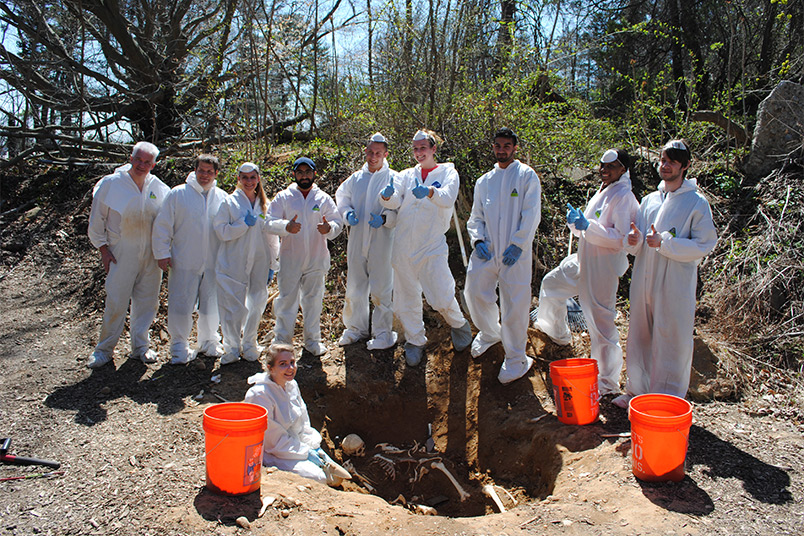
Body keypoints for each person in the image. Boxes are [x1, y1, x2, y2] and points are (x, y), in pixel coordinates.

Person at [615, 140, 717, 408]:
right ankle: (637, 392)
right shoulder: (650, 200)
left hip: (674, 282)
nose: (665, 165)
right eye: (663, 160)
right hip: (643, 280)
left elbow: (705, 244)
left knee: (671, 337)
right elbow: (636, 244)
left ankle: (666, 400)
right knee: (640, 333)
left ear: (685, 166)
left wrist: (666, 244)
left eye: (672, 161)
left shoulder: (696, 203)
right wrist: (634, 238)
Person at [533, 148, 639, 396]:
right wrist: (575, 222)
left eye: (611, 166)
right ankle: (556, 335)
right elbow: (585, 230)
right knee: (552, 284)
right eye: (602, 165)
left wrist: (588, 226)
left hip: (602, 267)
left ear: (623, 169)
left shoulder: (624, 196)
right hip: (583, 260)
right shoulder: (602, 191)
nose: (604, 170)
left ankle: (607, 382)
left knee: (600, 324)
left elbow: (622, 239)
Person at [379, 129, 472, 366]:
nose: (419, 153)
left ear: (433, 149)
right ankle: (415, 341)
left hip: (431, 246)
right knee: (405, 299)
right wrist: (387, 196)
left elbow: (448, 198)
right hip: (402, 247)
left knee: (441, 294)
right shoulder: (406, 175)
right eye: (415, 148)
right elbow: (394, 200)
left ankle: (459, 325)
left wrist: (430, 191)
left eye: (423, 148)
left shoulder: (448, 172)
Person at [465, 128, 542, 384]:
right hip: (487, 250)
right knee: (474, 292)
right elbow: (475, 217)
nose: (501, 149)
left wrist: (518, 244)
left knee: (515, 305)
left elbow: (531, 214)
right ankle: (489, 333)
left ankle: (516, 358)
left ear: (514, 148)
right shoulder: (484, 181)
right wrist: (477, 240)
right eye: (498, 145)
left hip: (514, 253)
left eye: (507, 145)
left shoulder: (526, 176)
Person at [86, 141, 170, 368]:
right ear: (131, 158)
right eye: (138, 160)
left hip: (151, 254)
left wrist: (165, 252)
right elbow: (97, 220)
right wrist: (103, 248)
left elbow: (166, 222)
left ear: (154, 164)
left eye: (147, 162)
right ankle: (104, 350)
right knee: (116, 300)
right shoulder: (111, 184)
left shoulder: (159, 188)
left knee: (147, 302)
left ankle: (140, 347)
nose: (142, 165)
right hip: (120, 251)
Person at [152, 154, 228, 364]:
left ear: (216, 174)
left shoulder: (222, 197)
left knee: (211, 304)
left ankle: (209, 341)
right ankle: (179, 345)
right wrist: (162, 253)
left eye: (209, 172)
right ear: (195, 171)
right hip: (184, 259)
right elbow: (163, 225)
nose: (205, 175)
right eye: (201, 171)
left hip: (213, 262)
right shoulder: (178, 194)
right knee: (181, 303)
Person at [244, 343, 351, 486]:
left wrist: (312, 446)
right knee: (319, 478)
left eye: (292, 363)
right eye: (283, 364)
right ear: (270, 368)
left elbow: (303, 422)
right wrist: (305, 452)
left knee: (334, 473)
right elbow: (272, 441)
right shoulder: (259, 395)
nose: (290, 368)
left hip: (296, 444)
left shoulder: (291, 385)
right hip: (273, 452)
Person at [267, 157, 343, 357]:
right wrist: (285, 226)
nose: (304, 176)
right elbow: (268, 222)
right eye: (299, 172)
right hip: (290, 260)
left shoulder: (323, 198)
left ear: (314, 174)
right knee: (287, 301)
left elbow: (337, 222)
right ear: (294, 174)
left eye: (307, 172)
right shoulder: (284, 197)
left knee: (313, 301)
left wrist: (330, 228)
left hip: (316, 259)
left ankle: (312, 341)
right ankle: (283, 342)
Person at [335, 132, 399, 350]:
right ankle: (355, 328)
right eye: (370, 152)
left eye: (378, 153)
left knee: (382, 288)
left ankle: (382, 332)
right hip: (357, 239)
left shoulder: (394, 178)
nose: (373, 157)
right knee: (355, 286)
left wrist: (384, 219)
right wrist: (347, 214)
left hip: (383, 242)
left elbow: (402, 211)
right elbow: (341, 198)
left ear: (385, 154)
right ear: (365, 152)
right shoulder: (356, 179)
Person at [213, 162, 280, 365]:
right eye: (245, 177)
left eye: (252, 177)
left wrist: (272, 263)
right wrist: (243, 224)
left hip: (259, 263)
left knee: (257, 302)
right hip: (233, 262)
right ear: (238, 179)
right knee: (232, 306)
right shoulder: (229, 203)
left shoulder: (265, 204)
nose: (249, 181)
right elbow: (221, 231)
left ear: (258, 179)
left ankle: (250, 343)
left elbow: (271, 237)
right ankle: (232, 348)